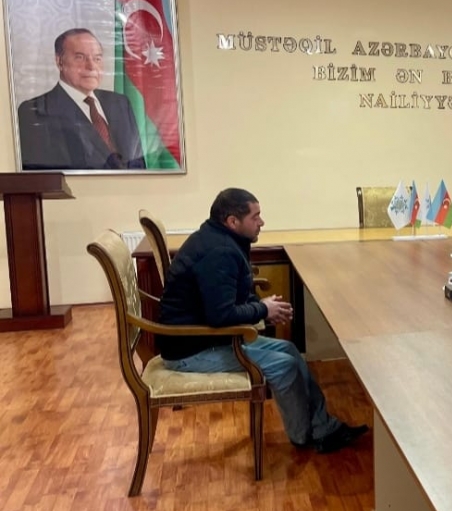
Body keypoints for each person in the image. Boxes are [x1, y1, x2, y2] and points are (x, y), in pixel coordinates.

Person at [157, 188, 368, 452]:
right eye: (255, 217)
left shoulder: (219, 239)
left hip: (206, 338)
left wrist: (261, 306)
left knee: (290, 350)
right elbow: (220, 315)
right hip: (190, 351)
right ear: (232, 221)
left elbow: (229, 297)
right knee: (284, 366)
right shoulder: (220, 252)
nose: (262, 222)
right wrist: (263, 310)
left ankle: (323, 427)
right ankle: (304, 437)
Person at [17, 28, 146, 170]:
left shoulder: (120, 103)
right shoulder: (35, 111)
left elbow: (138, 165)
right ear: (59, 61)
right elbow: (43, 175)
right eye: (80, 57)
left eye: (97, 58)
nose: (91, 66)